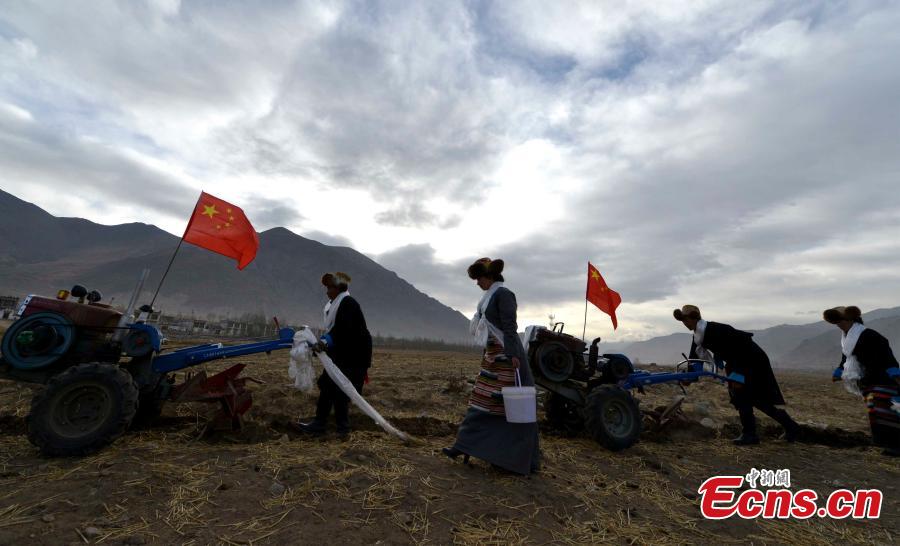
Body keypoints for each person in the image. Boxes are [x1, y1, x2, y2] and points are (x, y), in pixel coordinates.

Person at [443, 258, 540, 474]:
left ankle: (513, 460)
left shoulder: (504, 295)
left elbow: (509, 327)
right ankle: (463, 445)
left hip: (508, 360)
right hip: (493, 360)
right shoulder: (487, 297)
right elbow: (489, 331)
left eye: (479, 278)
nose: (477, 283)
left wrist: (513, 354)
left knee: (509, 410)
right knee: (480, 402)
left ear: (490, 277)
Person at [674, 304, 800, 445]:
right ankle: (788, 427)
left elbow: (739, 350)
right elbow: (695, 359)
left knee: (746, 395)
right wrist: (689, 378)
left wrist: (737, 376)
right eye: (683, 321)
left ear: (694, 318)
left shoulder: (715, 330)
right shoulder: (698, 336)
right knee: (749, 397)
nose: (684, 323)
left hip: (751, 360)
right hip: (738, 363)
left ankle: (751, 434)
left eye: (686, 320)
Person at [297, 272, 373, 436]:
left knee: (339, 388)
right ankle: (329, 426)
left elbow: (344, 330)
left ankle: (337, 428)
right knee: (329, 385)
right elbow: (336, 331)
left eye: (330, 287)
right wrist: (323, 343)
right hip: (344, 353)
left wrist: (325, 343)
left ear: (339, 288)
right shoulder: (336, 305)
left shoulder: (348, 303)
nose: (327, 291)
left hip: (354, 355)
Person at [824, 306, 900, 457]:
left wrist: (894, 373)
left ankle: (896, 447)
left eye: (841, 321)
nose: (839, 325)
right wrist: (839, 371)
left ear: (851, 320)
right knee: (876, 414)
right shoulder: (848, 340)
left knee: (888, 413)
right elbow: (846, 358)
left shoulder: (869, 335)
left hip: (882, 379)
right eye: (837, 322)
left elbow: (886, 355)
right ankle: (888, 445)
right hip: (867, 381)